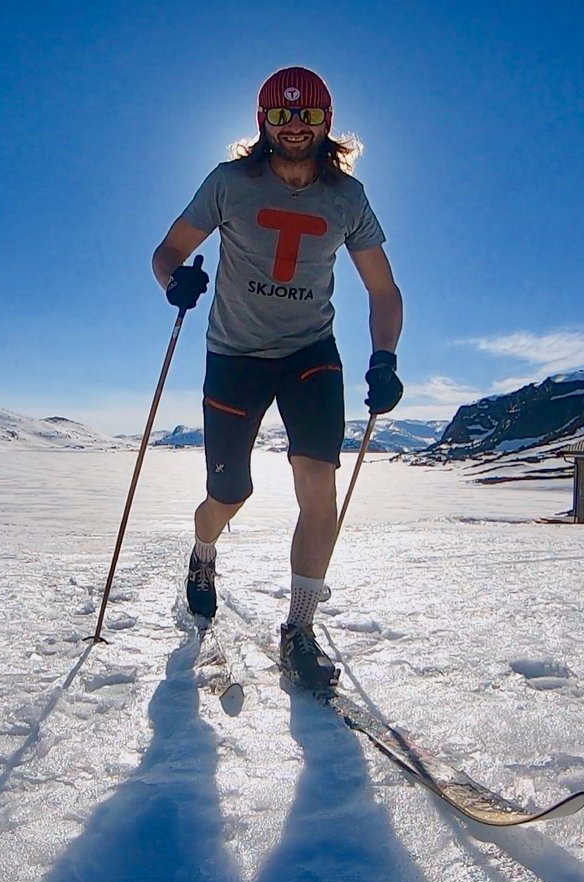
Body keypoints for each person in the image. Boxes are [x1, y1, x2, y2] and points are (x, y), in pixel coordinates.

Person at [151, 66, 405, 690]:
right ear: (263, 120)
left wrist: (384, 357)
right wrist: (174, 281)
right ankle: (204, 553)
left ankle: (299, 628)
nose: (296, 128)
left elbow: (383, 288)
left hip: (309, 354)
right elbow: (167, 253)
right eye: (283, 115)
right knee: (229, 495)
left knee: (318, 486)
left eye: (310, 116)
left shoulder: (348, 198)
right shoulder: (228, 183)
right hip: (234, 355)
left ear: (327, 123)